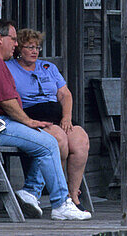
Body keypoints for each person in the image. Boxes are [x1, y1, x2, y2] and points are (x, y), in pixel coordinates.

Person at [0, 20, 90, 221]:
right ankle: (60, 203)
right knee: (49, 143)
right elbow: (6, 102)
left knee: (51, 141)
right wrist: (29, 122)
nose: (15, 44)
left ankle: (32, 192)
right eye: (13, 40)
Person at [7, 29, 90, 209]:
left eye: (37, 47)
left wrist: (67, 117)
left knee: (80, 139)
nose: (35, 51)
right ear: (19, 49)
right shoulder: (9, 68)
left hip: (57, 116)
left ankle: (73, 194)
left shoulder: (48, 68)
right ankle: (59, 197)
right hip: (32, 117)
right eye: (30, 47)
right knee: (59, 139)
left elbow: (65, 95)